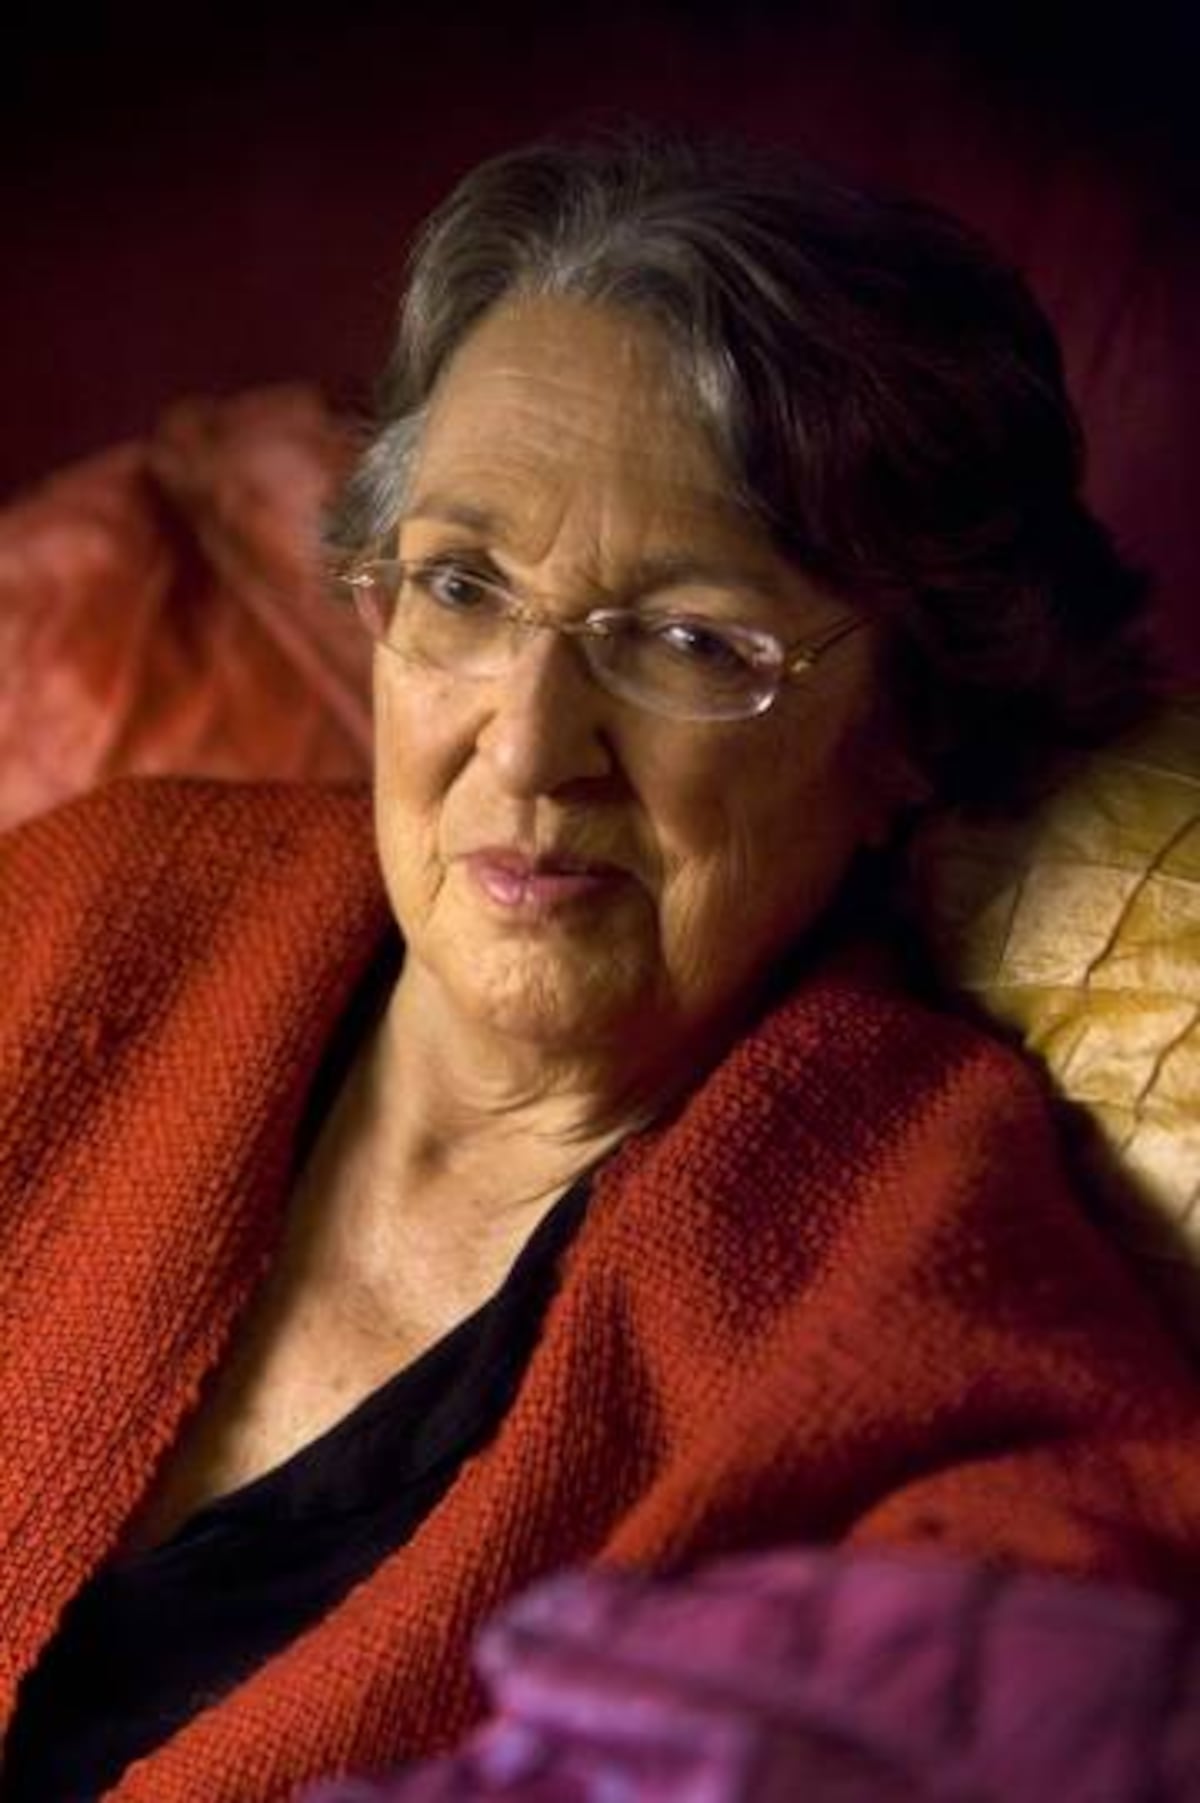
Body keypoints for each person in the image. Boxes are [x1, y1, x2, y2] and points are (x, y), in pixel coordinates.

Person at [1, 131, 1197, 1802]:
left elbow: (1062, 1636)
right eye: (464, 586)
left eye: (691, 641)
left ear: (911, 726)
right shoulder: (98, 904)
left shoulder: (899, 1222)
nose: (531, 746)